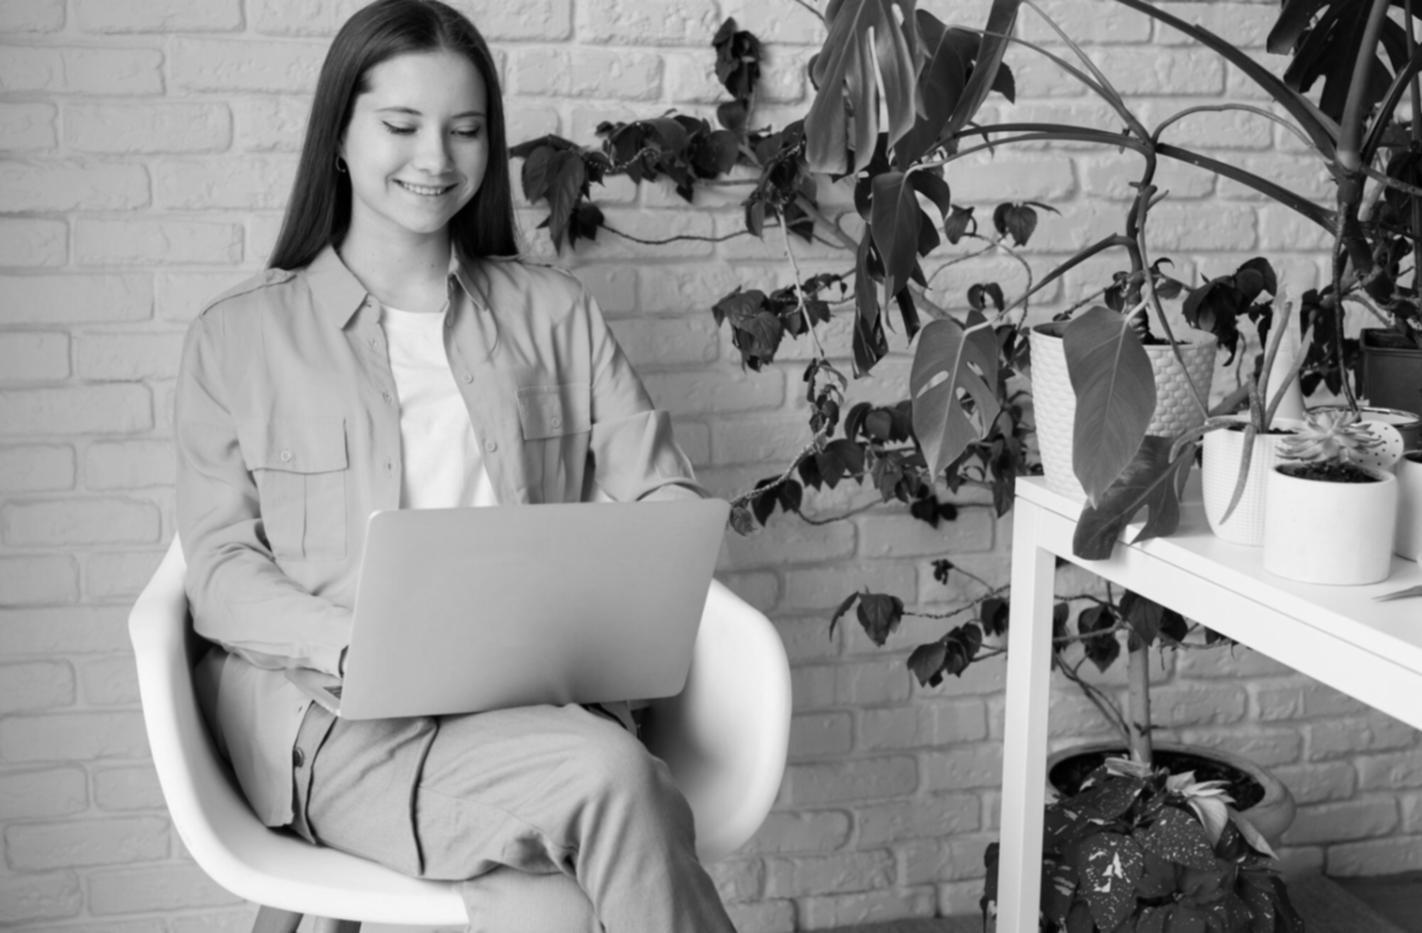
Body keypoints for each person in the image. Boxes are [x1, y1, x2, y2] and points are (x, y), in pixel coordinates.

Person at [173, 1, 737, 930]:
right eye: (401, 125)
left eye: (465, 130)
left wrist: (608, 589)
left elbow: (664, 500)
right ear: (340, 138)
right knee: (609, 782)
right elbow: (221, 576)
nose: (436, 159)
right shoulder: (240, 338)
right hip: (348, 729)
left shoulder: (552, 313)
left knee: (560, 897)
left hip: (533, 711)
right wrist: (357, 648)